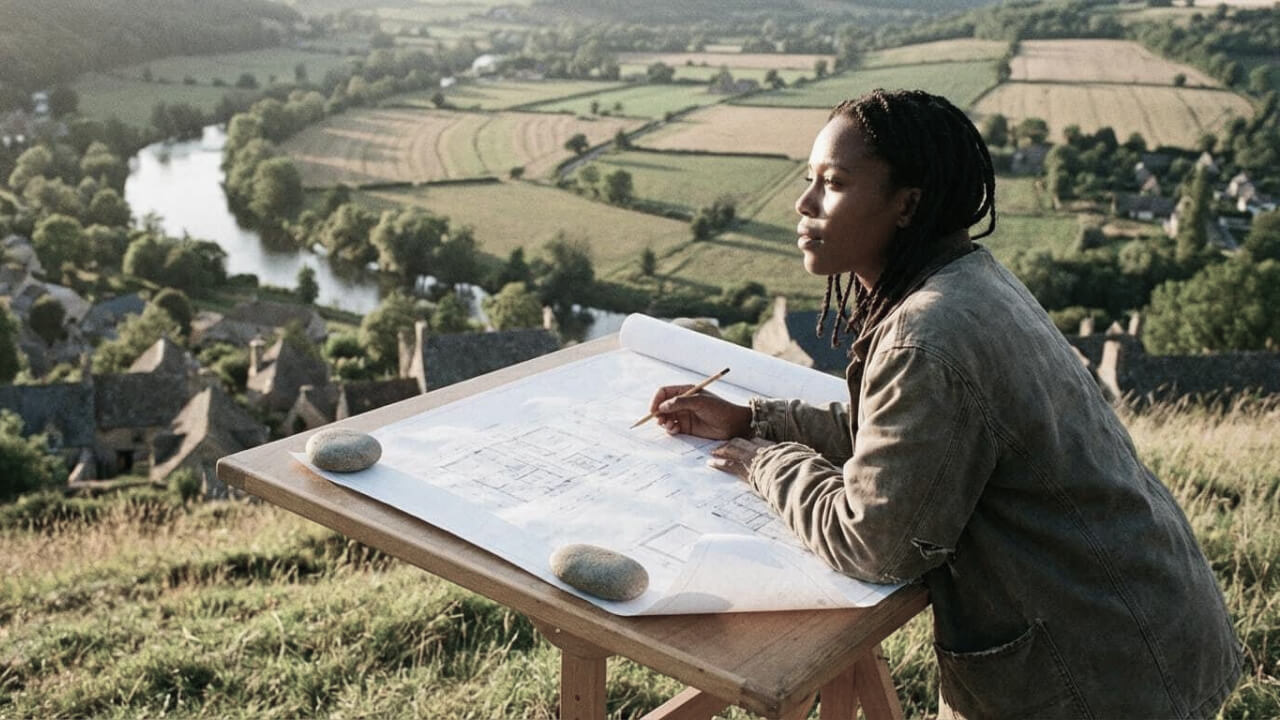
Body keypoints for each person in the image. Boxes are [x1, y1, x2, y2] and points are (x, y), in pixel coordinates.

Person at [647, 89, 1242, 719]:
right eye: (809, 179)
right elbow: (909, 438)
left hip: (1093, 672)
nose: (805, 203)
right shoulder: (967, 280)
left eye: (835, 183)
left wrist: (765, 461)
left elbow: (873, 543)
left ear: (907, 204)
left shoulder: (926, 336)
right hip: (1138, 624)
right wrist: (754, 417)